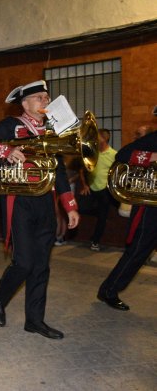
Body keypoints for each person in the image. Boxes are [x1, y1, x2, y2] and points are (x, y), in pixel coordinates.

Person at [0, 80, 80, 340]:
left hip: (45, 201)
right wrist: (5, 150)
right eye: (40, 98)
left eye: (46, 97)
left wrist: (69, 205)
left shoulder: (53, 130)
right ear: (25, 104)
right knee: (24, 263)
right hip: (19, 200)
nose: (45, 101)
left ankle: (35, 320)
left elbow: (59, 170)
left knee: (42, 265)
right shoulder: (12, 125)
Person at [97, 131, 156, 310]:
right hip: (151, 205)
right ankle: (109, 290)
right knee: (139, 250)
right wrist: (153, 156)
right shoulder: (154, 138)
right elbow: (122, 155)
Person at [78, 128, 117, 251]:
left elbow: (117, 172)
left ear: (105, 139)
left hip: (105, 190)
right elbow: (81, 170)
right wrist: (85, 185)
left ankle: (95, 241)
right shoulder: (92, 152)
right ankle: (100, 212)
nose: (94, 139)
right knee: (82, 208)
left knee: (102, 216)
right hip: (91, 188)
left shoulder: (114, 154)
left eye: (97, 137)